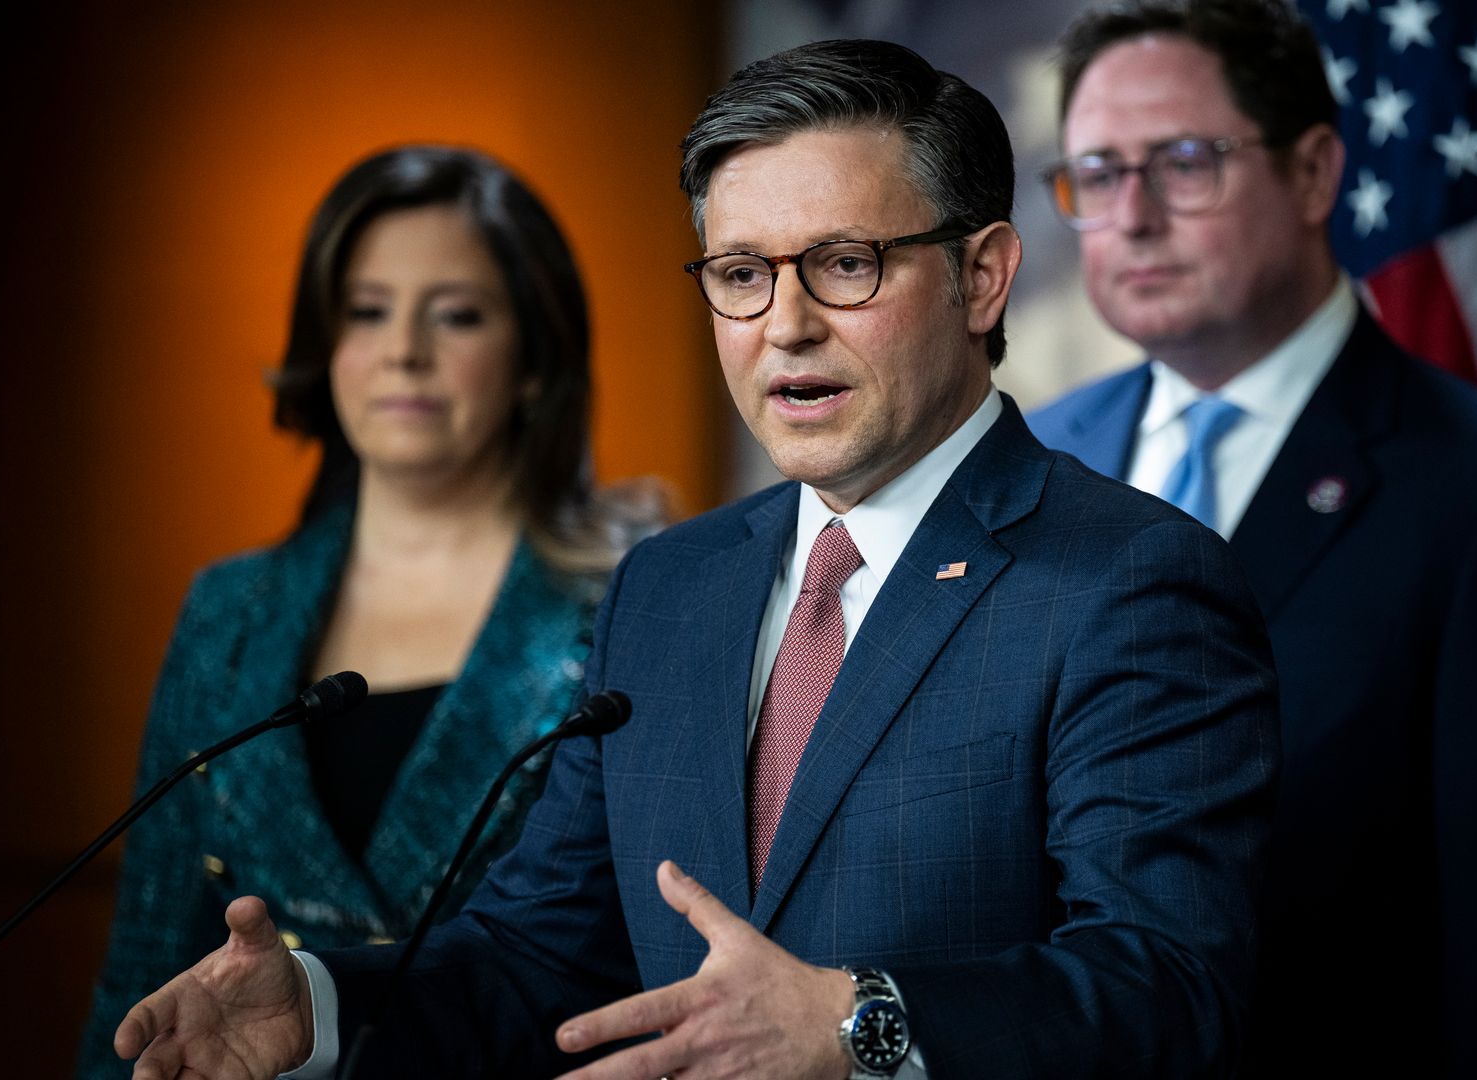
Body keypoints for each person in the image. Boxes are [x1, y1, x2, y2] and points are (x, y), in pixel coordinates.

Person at [106, 39, 1280, 1079]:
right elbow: (535, 954)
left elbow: (1172, 987)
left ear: (982, 276)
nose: (786, 324)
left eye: (846, 263)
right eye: (741, 274)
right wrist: (313, 1007)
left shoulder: (1131, 580)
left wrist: (854, 1027)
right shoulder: (669, 588)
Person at [1026, 3, 1477, 1076]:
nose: (1131, 216)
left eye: (1183, 163)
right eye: (1095, 173)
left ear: (1315, 173)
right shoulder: (1036, 458)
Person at [77, 146, 650, 1079]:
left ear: (536, 360)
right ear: (325, 343)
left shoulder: (634, 604)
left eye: (456, 315)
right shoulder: (230, 613)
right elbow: (145, 965)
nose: (403, 351)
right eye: (366, 311)